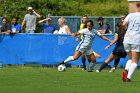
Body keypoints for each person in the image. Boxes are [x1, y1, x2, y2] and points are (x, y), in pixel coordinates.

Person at [122, 3, 140, 82]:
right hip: (136, 40)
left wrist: (128, 30)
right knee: (135, 61)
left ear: (137, 7)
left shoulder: (130, 15)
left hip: (127, 39)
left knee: (130, 58)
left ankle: (126, 70)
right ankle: (128, 78)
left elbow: (123, 24)